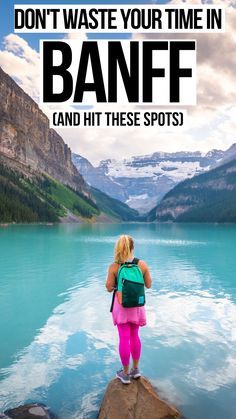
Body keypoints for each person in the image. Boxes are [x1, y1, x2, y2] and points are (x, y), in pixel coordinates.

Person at [106, 234, 152, 384]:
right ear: (133, 247)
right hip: (137, 307)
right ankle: (136, 370)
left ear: (118, 248)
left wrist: (117, 285)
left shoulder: (114, 266)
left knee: (124, 338)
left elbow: (108, 288)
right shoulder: (142, 264)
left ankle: (125, 374)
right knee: (135, 336)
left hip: (121, 307)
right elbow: (149, 285)